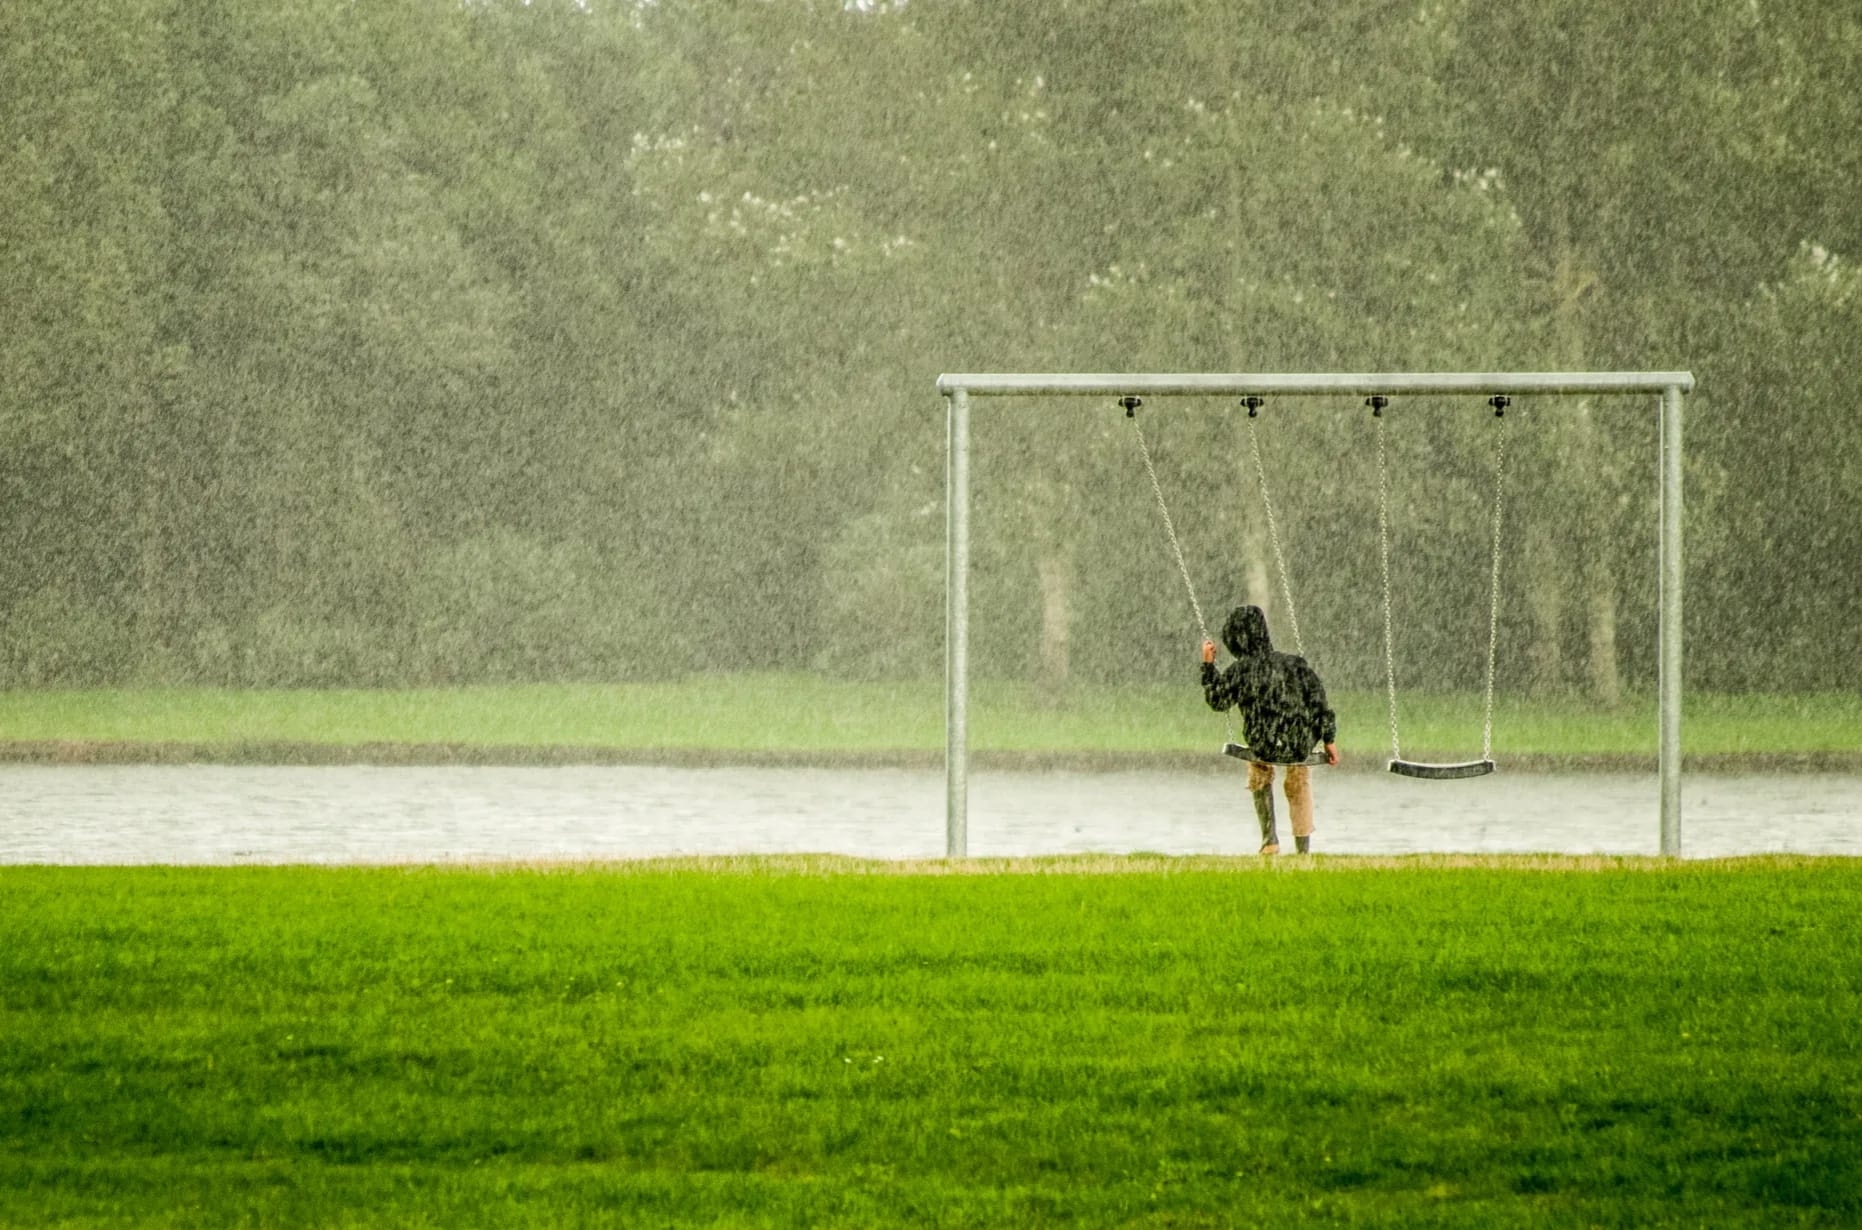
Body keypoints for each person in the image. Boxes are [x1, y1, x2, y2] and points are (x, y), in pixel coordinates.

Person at [1200, 604, 1339, 855]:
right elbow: (1319, 701)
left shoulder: (1241, 670)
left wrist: (1209, 666)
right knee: (1299, 778)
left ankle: (1269, 839)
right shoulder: (1295, 664)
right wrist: (1329, 739)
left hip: (1263, 742)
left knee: (1259, 769)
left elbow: (1217, 701)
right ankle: (1303, 848)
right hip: (1299, 743)